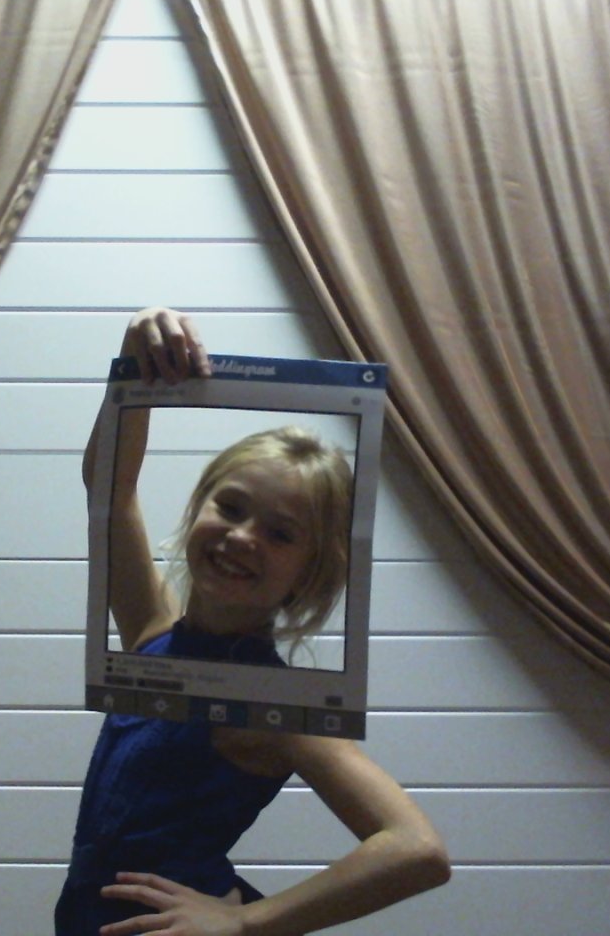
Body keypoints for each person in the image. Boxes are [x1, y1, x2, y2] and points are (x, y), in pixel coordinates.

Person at [56, 308, 450, 935]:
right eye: (231, 507)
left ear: (309, 573)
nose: (243, 537)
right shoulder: (153, 633)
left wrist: (246, 923)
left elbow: (416, 849)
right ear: (198, 507)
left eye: (280, 533)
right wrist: (134, 353)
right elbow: (109, 488)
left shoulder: (275, 701)